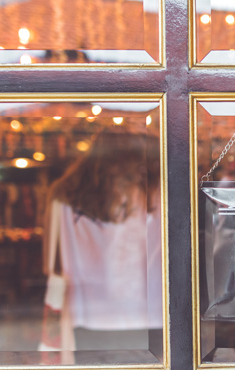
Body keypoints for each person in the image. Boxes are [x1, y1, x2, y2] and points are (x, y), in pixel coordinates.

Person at [40, 127, 162, 360]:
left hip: (88, 314)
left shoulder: (64, 196)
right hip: (151, 312)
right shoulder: (155, 194)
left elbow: (51, 265)